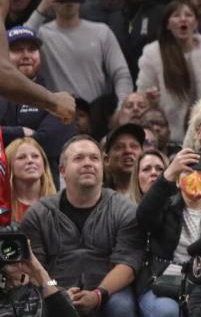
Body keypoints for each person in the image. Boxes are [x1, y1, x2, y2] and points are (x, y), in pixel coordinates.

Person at [21, 135, 144, 317]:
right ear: (62, 170)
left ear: (103, 167)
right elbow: (35, 268)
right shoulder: (38, 214)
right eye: (79, 158)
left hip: (109, 291)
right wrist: (58, 293)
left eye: (94, 158)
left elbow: (127, 264)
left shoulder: (125, 210)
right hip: (53, 288)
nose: (88, 163)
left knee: (121, 308)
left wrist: (97, 294)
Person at [136, 147, 201, 317]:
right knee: (167, 311)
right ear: (177, 181)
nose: (194, 176)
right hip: (162, 285)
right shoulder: (164, 208)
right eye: (187, 171)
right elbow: (144, 217)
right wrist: (167, 175)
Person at [26, 0, 126, 136]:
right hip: (55, 114)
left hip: (95, 116)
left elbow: (121, 74)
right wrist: (41, 8)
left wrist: (122, 108)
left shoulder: (101, 31)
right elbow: (18, 42)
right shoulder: (41, 34)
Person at [137, 0, 201, 144]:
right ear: (167, 24)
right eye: (176, 15)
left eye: (189, 15)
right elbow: (142, 97)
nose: (183, 19)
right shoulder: (152, 53)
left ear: (195, 23)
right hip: (170, 136)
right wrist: (151, 99)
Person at [0, 26, 76, 181]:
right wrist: (21, 132)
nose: (26, 55)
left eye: (32, 49)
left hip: (43, 194)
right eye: (17, 50)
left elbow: (50, 143)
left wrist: (4, 134)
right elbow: (38, 141)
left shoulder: (58, 99)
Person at [6, 137, 57, 222]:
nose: (30, 161)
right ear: (9, 166)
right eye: (21, 157)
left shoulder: (60, 206)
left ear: (43, 164)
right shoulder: (3, 209)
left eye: (35, 156)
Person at [103, 122, 145, 197]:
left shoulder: (153, 192)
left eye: (134, 146)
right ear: (107, 160)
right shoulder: (98, 196)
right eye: (119, 147)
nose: (128, 151)